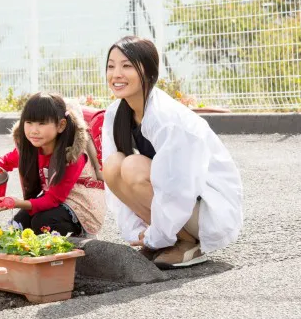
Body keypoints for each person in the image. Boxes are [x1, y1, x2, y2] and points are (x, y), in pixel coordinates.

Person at [102, 36, 243, 269]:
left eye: (126, 66)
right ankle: (169, 238)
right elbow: (117, 186)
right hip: (180, 203)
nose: (116, 74)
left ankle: (188, 242)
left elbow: (178, 187)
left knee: (132, 166)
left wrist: (155, 236)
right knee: (113, 165)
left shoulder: (165, 117)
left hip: (206, 208)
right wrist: (140, 233)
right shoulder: (115, 113)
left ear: (148, 71)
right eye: (111, 66)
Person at [0, 92, 104, 237]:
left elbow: (53, 199)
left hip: (81, 206)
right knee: (18, 225)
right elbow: (6, 161)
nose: (34, 130)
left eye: (42, 123)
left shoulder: (72, 155)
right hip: (53, 201)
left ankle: (79, 237)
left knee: (42, 222)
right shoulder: (32, 147)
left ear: (61, 125)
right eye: (29, 122)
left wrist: (16, 203)